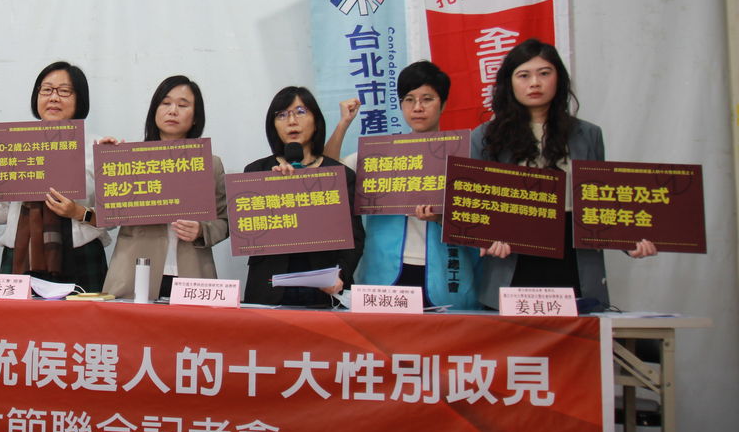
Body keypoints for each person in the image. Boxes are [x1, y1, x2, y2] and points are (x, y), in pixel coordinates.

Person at [471, 39, 656, 309]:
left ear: (559, 78)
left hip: (573, 256)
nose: (535, 83)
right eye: (524, 75)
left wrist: (628, 241)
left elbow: (600, 200)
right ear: (509, 83)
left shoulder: (588, 134)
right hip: (512, 260)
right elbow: (475, 204)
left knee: (576, 333)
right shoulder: (486, 136)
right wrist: (486, 235)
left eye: (544, 73)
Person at [338, 62, 480, 309]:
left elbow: (483, 221)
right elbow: (330, 175)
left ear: (443, 104)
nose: (417, 108)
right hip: (385, 271)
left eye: (427, 99)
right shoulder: (380, 155)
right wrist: (343, 125)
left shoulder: (464, 155)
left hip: (444, 273)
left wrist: (442, 218)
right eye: (409, 100)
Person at [0, 61, 110, 292]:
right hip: (21, 255)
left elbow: (112, 217)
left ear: (80, 99)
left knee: (84, 317)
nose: (54, 98)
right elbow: (4, 212)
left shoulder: (97, 147)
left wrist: (77, 212)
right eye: (46, 90)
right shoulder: (13, 144)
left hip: (80, 254)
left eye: (64, 91)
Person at [101, 75, 229, 300]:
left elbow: (225, 221)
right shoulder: (130, 160)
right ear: (154, 111)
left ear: (196, 117)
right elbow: (108, 220)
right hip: (134, 272)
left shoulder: (211, 164)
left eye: (183, 105)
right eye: (166, 103)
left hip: (192, 273)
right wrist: (109, 163)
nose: (173, 111)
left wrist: (202, 231)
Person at [242, 86, 363, 307]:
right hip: (269, 287)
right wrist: (274, 188)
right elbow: (247, 231)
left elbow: (354, 237)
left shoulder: (340, 175)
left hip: (324, 287)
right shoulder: (256, 172)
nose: (291, 121)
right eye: (282, 115)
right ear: (273, 125)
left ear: (316, 121)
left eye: (300, 112)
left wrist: (340, 274)